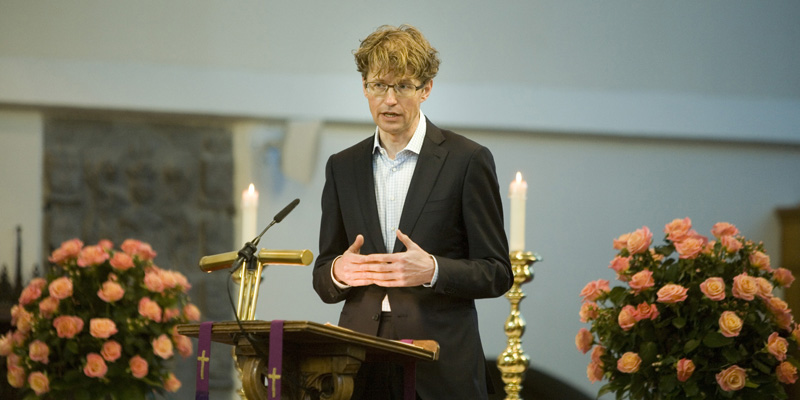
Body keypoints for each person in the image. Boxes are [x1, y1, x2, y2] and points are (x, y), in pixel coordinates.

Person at [312, 24, 512, 400]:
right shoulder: (343, 165)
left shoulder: (467, 160)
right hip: (357, 360)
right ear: (364, 87)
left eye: (402, 86)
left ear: (426, 89)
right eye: (378, 86)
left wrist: (433, 270)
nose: (389, 100)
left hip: (438, 361)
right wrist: (339, 271)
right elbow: (323, 274)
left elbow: (497, 272)